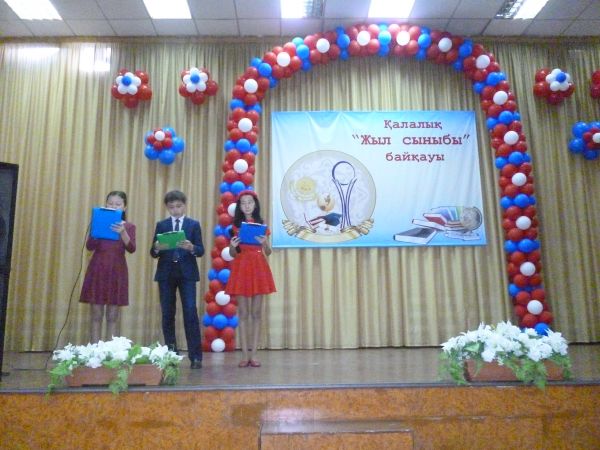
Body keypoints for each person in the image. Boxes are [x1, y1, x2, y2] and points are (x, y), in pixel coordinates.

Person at [151, 190, 204, 369]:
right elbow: (153, 252)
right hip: (166, 274)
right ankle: (171, 355)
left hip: (187, 274)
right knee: (167, 313)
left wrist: (191, 247)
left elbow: (201, 250)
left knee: (190, 312)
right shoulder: (162, 225)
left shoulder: (193, 224)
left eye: (179, 206)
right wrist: (157, 248)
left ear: (185, 206)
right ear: (167, 208)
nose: (175, 210)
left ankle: (195, 357)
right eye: (172, 207)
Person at [226, 190, 276, 368]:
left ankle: (254, 354)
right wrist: (232, 246)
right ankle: (244, 355)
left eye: (250, 202)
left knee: (256, 313)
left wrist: (264, 243)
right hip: (241, 267)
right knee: (243, 313)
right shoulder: (235, 227)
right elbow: (233, 254)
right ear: (239, 206)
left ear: (255, 205)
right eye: (243, 203)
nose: (247, 206)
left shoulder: (262, 226)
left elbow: (268, 252)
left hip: (258, 267)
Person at [80, 191, 136, 343]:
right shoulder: (98, 222)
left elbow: (131, 248)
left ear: (124, 207)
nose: (113, 206)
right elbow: (89, 246)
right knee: (96, 314)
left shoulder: (129, 226)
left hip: (117, 271)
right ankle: (94, 350)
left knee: (112, 315)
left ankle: (110, 351)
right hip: (97, 269)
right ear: (105, 204)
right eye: (110, 203)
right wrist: (97, 230)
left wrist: (123, 233)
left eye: (118, 204)